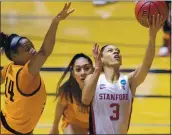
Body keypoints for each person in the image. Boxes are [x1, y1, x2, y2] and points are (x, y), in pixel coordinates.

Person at [81, 14, 164, 134]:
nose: (115, 52)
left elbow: (146, 64)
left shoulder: (129, 81)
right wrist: (98, 69)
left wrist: (152, 36)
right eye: (110, 51)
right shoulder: (93, 79)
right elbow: (85, 99)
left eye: (117, 51)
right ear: (101, 58)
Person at [0, 2, 74, 134]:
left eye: (32, 45)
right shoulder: (25, 74)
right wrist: (55, 21)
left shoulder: (10, 68)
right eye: (27, 49)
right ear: (15, 56)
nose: (33, 50)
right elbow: (44, 52)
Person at [49, 53, 95, 134]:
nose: (83, 73)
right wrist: (54, 126)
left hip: (95, 125)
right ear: (73, 73)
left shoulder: (102, 87)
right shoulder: (68, 89)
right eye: (78, 69)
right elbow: (60, 106)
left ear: (93, 70)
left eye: (87, 68)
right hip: (74, 125)